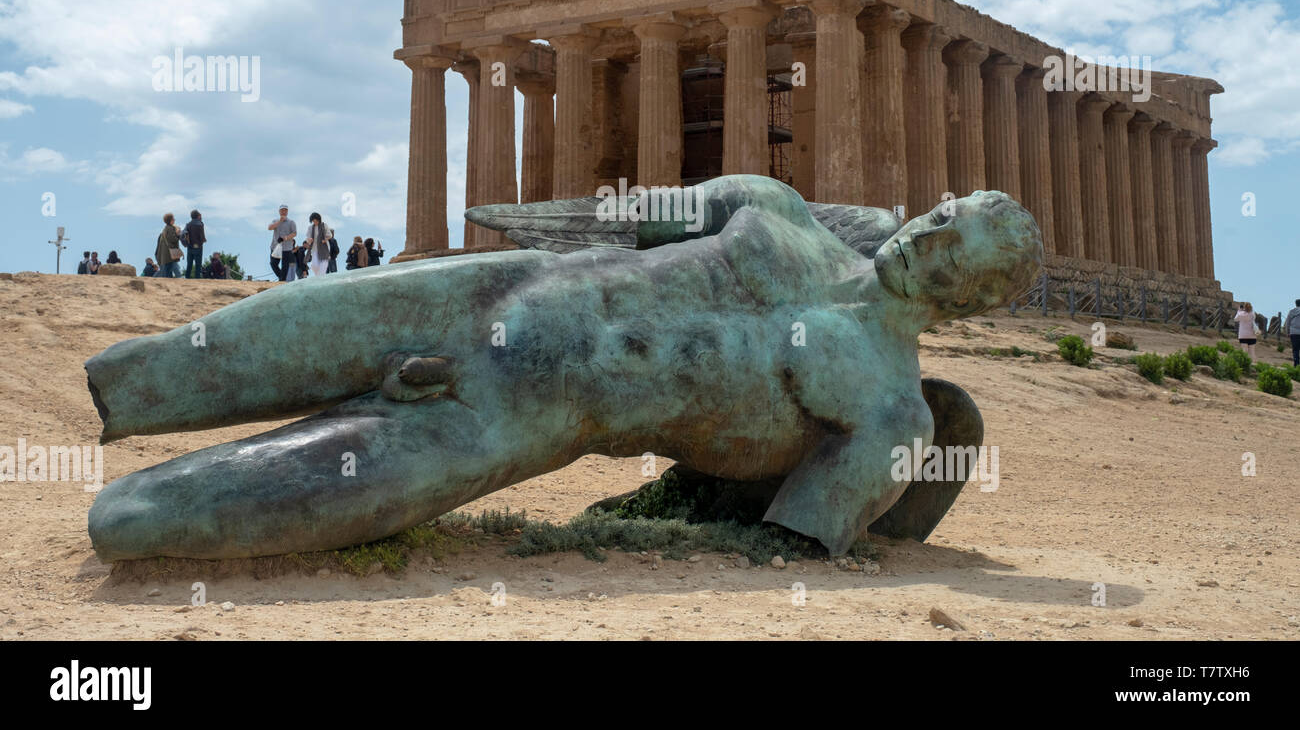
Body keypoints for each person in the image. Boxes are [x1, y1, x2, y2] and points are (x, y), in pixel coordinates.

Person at [84, 177, 1044, 561]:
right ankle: (129, 393)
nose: (936, 235)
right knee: (164, 366)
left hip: (523, 421)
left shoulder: (892, 413)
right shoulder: (777, 208)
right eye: (947, 214)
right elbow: (627, 215)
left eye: (965, 251)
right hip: (508, 286)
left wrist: (634, 534)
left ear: (977, 299)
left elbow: (783, 542)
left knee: (133, 524)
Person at [267, 204, 297, 282]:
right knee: (273, 263)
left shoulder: (291, 222)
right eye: (282, 210)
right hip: (275, 246)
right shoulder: (275, 220)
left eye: (285, 210)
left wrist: (286, 238)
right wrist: (279, 221)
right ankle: (281, 277)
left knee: (285, 266)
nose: (283, 211)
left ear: (287, 212)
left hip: (287, 247)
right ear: (279, 211)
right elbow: (269, 228)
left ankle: (282, 281)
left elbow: (295, 233)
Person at [304, 213, 331, 277]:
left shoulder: (324, 225)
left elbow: (330, 235)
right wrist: (309, 239)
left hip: (324, 248)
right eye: (313, 221)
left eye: (316, 221)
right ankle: (319, 277)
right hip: (314, 248)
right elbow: (307, 237)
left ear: (319, 220)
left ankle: (321, 278)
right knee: (314, 265)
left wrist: (325, 239)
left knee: (323, 264)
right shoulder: (310, 227)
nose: (315, 222)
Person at [183, 210, 206, 279]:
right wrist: (203, 241)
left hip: (190, 246)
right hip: (198, 246)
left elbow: (184, 234)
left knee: (189, 264)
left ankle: (187, 277)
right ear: (198, 216)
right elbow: (202, 237)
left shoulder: (188, 224)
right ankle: (197, 278)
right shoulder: (200, 224)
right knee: (198, 264)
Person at [1285, 299, 1300, 367]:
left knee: (1295, 349)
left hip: (1293, 333)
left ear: (1296, 304)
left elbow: (1287, 323)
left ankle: (1296, 365)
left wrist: (1287, 332)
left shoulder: (1291, 312)